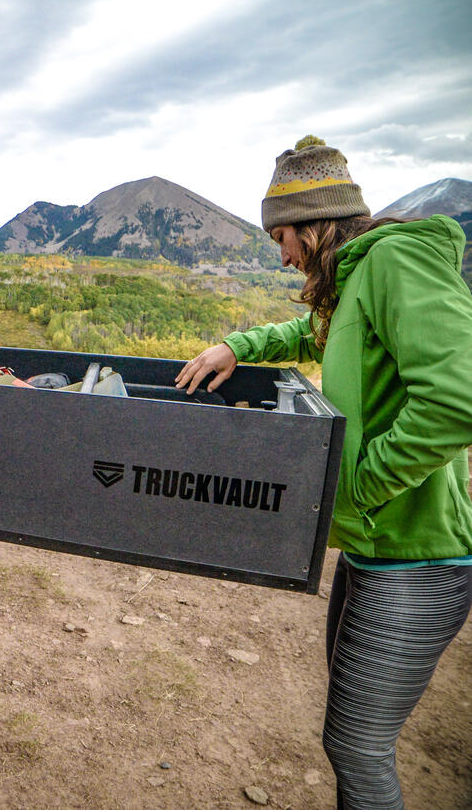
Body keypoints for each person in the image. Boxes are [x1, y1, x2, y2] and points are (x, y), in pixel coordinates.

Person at [174, 135, 472, 809]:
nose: (280, 254)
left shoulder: (396, 261)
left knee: (358, 751)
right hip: (375, 552)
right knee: (351, 742)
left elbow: (460, 400)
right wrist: (236, 345)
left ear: (314, 223)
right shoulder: (355, 280)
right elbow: (311, 333)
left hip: (418, 561)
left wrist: (357, 487)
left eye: (282, 235)